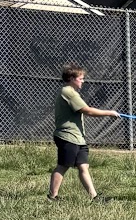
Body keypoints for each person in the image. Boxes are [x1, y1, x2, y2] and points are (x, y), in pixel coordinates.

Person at [50, 64, 119, 200]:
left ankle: (94, 197)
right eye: (80, 78)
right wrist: (109, 113)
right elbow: (86, 110)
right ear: (71, 78)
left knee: (83, 166)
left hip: (78, 138)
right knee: (63, 166)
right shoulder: (67, 92)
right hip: (67, 136)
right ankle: (53, 197)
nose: (83, 81)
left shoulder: (73, 93)